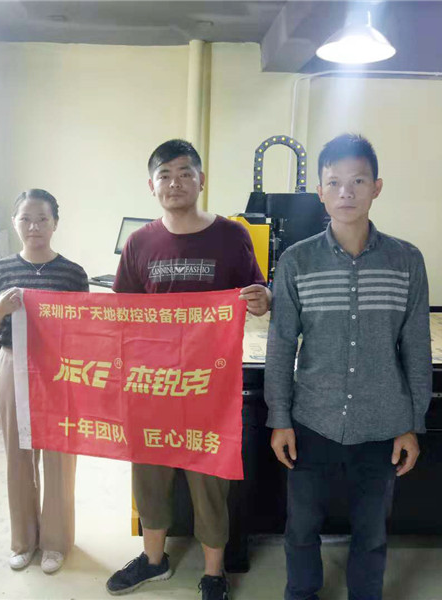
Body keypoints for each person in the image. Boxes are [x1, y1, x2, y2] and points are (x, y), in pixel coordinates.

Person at [265, 134, 432, 600]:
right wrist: (280, 419)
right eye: (334, 182)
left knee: (372, 531)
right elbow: (281, 345)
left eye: (358, 181)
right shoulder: (297, 262)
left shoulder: (406, 261)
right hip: (311, 419)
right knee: (301, 528)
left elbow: (417, 346)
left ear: (376, 187)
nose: (346, 192)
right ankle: (302, 593)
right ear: (320, 191)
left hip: (383, 422)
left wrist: (412, 424)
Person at [106, 139, 271, 600]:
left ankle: (214, 572)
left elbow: (257, 291)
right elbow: (123, 313)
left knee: (209, 479)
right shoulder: (139, 243)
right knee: (150, 474)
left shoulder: (232, 235)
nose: (174, 183)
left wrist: (264, 298)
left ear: (202, 180)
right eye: (165, 175)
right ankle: (153, 560)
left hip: (209, 385)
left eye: (184, 173)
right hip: (153, 383)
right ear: (151, 185)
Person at [0, 189, 89, 574]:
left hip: (59, 369)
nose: (34, 227)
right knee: (18, 453)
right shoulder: (0, 270)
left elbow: (84, 328)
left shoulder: (72, 273)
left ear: (55, 223)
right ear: (14, 223)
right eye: (25, 219)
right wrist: (0, 308)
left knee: (58, 453)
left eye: (42, 219)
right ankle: (23, 542)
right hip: (13, 365)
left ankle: (56, 543)